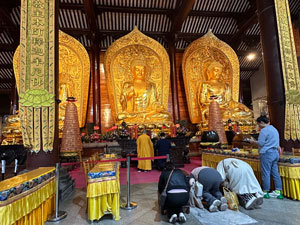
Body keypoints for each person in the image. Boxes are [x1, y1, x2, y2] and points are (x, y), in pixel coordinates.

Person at [117, 58, 171, 123]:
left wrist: (158, 106)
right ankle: (143, 120)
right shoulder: (127, 85)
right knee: (120, 117)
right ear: (132, 71)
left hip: (147, 113)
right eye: (137, 70)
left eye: (142, 70)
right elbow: (122, 102)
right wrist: (127, 98)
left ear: (146, 71)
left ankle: (142, 119)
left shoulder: (151, 85)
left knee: (166, 116)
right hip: (132, 114)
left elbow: (153, 102)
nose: (140, 72)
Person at [249, 115, 283, 199]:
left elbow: (261, 143)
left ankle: (265, 192)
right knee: (275, 173)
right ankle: (278, 192)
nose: (258, 126)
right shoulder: (274, 129)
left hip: (267, 154)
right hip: (275, 153)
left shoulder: (264, 131)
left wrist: (253, 142)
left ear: (261, 122)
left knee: (266, 173)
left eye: (258, 124)